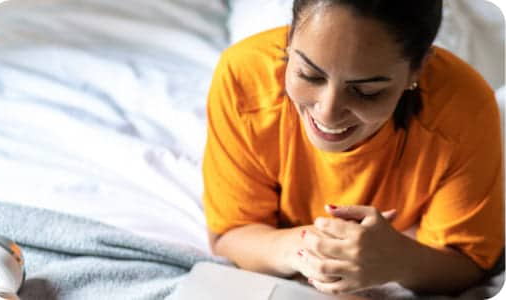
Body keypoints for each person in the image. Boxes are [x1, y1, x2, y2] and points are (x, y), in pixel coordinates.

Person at [202, 0, 504, 296]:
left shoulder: (466, 111)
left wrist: (399, 261)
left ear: (417, 71)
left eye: (366, 91)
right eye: (309, 75)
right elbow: (229, 235)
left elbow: (469, 263)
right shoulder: (243, 78)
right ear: (290, 38)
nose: (327, 113)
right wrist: (316, 248)